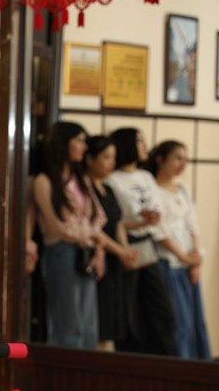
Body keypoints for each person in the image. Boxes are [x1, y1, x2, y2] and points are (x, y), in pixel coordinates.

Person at [31, 122, 105, 349]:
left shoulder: (81, 179)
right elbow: (56, 227)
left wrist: (98, 250)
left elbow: (99, 217)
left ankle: (87, 369)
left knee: (88, 323)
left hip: (86, 251)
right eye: (79, 141)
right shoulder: (44, 181)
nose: (84, 147)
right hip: (60, 251)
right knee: (67, 322)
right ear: (63, 143)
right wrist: (88, 236)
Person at [105, 128, 176, 356]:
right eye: (139, 141)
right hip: (126, 245)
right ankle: (133, 361)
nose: (145, 145)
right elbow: (114, 221)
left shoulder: (146, 176)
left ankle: (164, 360)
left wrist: (150, 218)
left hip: (148, 244)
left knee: (162, 310)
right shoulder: (111, 180)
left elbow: (157, 210)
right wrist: (137, 223)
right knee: (130, 312)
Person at [147, 140, 210, 359]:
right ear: (160, 160)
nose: (182, 164)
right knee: (179, 324)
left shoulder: (182, 190)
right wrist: (183, 256)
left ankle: (199, 367)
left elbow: (192, 226)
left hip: (188, 264)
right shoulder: (152, 190)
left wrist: (194, 260)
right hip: (169, 263)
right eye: (177, 158)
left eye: (185, 159)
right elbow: (159, 232)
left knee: (194, 321)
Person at [84, 136, 138, 351]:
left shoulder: (109, 189)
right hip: (97, 256)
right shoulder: (85, 188)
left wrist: (126, 251)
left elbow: (118, 223)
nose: (111, 163)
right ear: (90, 159)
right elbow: (93, 228)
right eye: (106, 157)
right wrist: (120, 252)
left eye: (113, 158)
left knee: (114, 317)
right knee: (99, 317)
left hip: (114, 259)